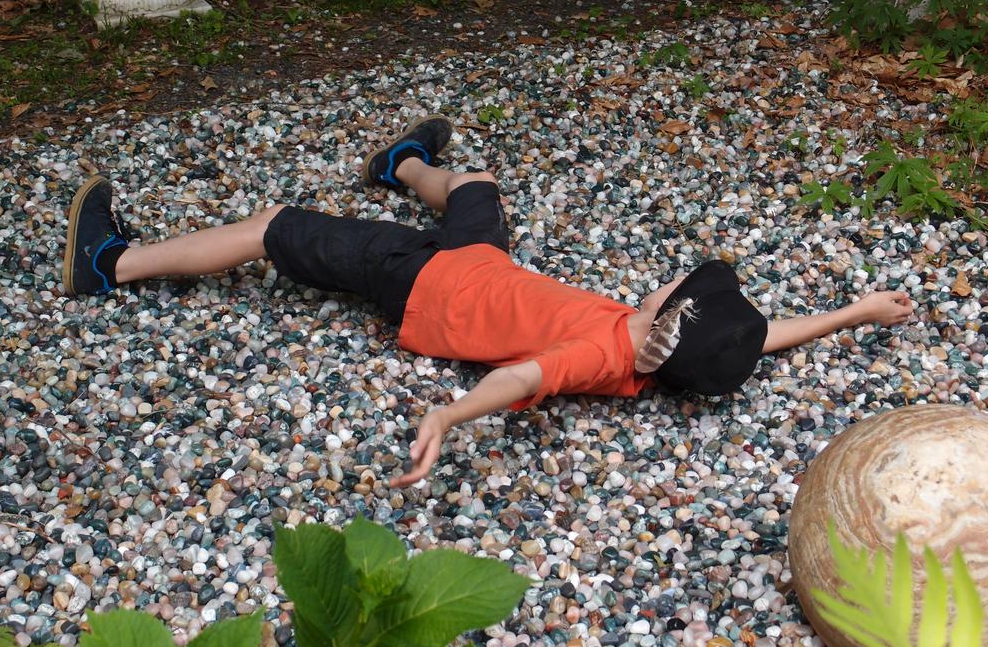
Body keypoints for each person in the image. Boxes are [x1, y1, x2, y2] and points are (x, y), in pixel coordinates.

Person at [62, 115, 914, 488]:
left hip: (422, 282)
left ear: (661, 327)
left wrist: (449, 417)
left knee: (275, 228)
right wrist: (854, 312)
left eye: (672, 293)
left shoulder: (605, 356)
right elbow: (758, 339)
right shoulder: (670, 354)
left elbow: (522, 379)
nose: (667, 283)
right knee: (475, 183)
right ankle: (400, 163)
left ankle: (113, 263)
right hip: (480, 263)